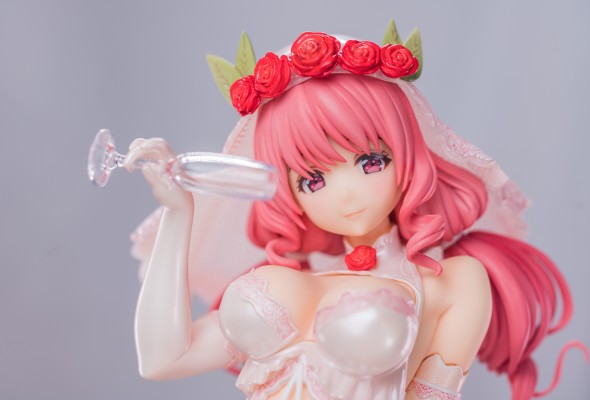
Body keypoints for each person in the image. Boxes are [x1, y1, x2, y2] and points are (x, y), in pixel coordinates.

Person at [126, 29, 577, 400]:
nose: (347, 195)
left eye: (371, 162)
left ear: (407, 155)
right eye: (312, 180)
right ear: (289, 193)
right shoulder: (288, 280)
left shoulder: (451, 281)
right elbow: (163, 360)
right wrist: (177, 214)